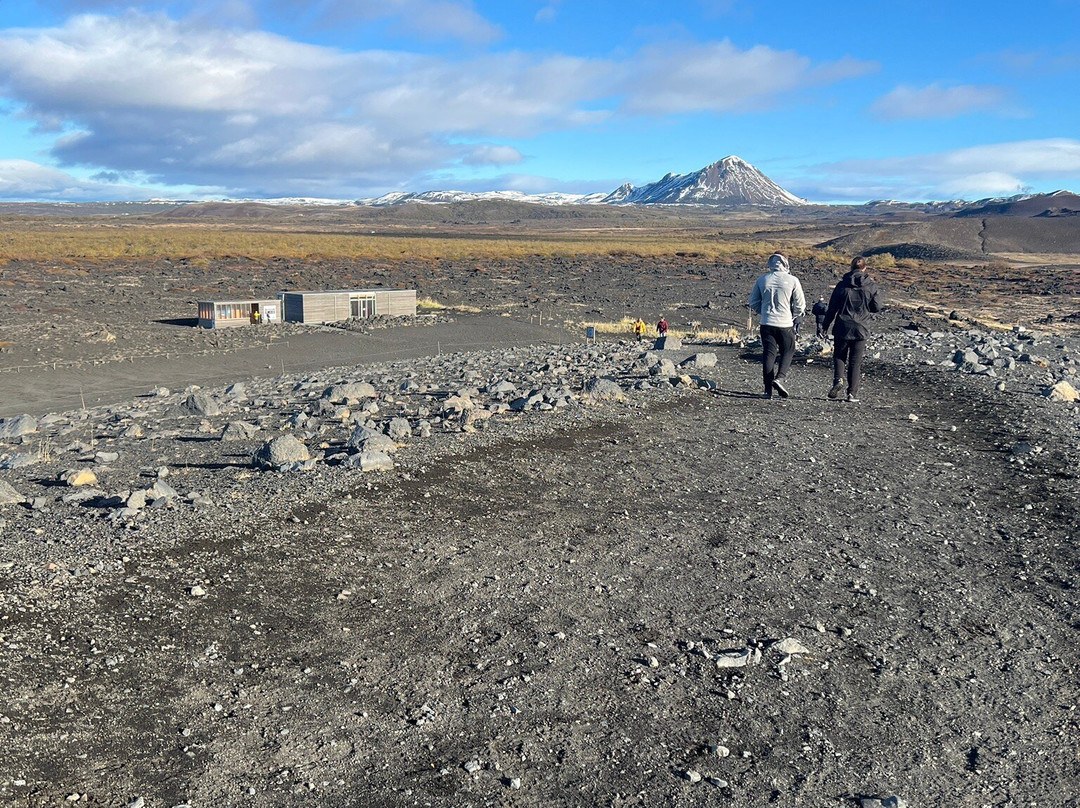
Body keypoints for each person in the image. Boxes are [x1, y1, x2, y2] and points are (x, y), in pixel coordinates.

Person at [822, 256, 883, 403]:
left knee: (839, 356)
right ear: (864, 269)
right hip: (861, 328)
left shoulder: (842, 285)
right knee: (855, 362)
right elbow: (877, 307)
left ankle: (838, 380)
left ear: (850, 268)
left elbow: (832, 308)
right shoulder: (871, 286)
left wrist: (825, 325)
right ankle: (852, 394)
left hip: (842, 325)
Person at [748, 252, 806, 399]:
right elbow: (800, 304)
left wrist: (764, 312)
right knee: (788, 350)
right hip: (785, 323)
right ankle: (780, 378)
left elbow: (753, 301)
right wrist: (793, 316)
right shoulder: (792, 280)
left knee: (769, 355)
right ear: (786, 262)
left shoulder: (762, 279)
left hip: (766, 323)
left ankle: (768, 391)